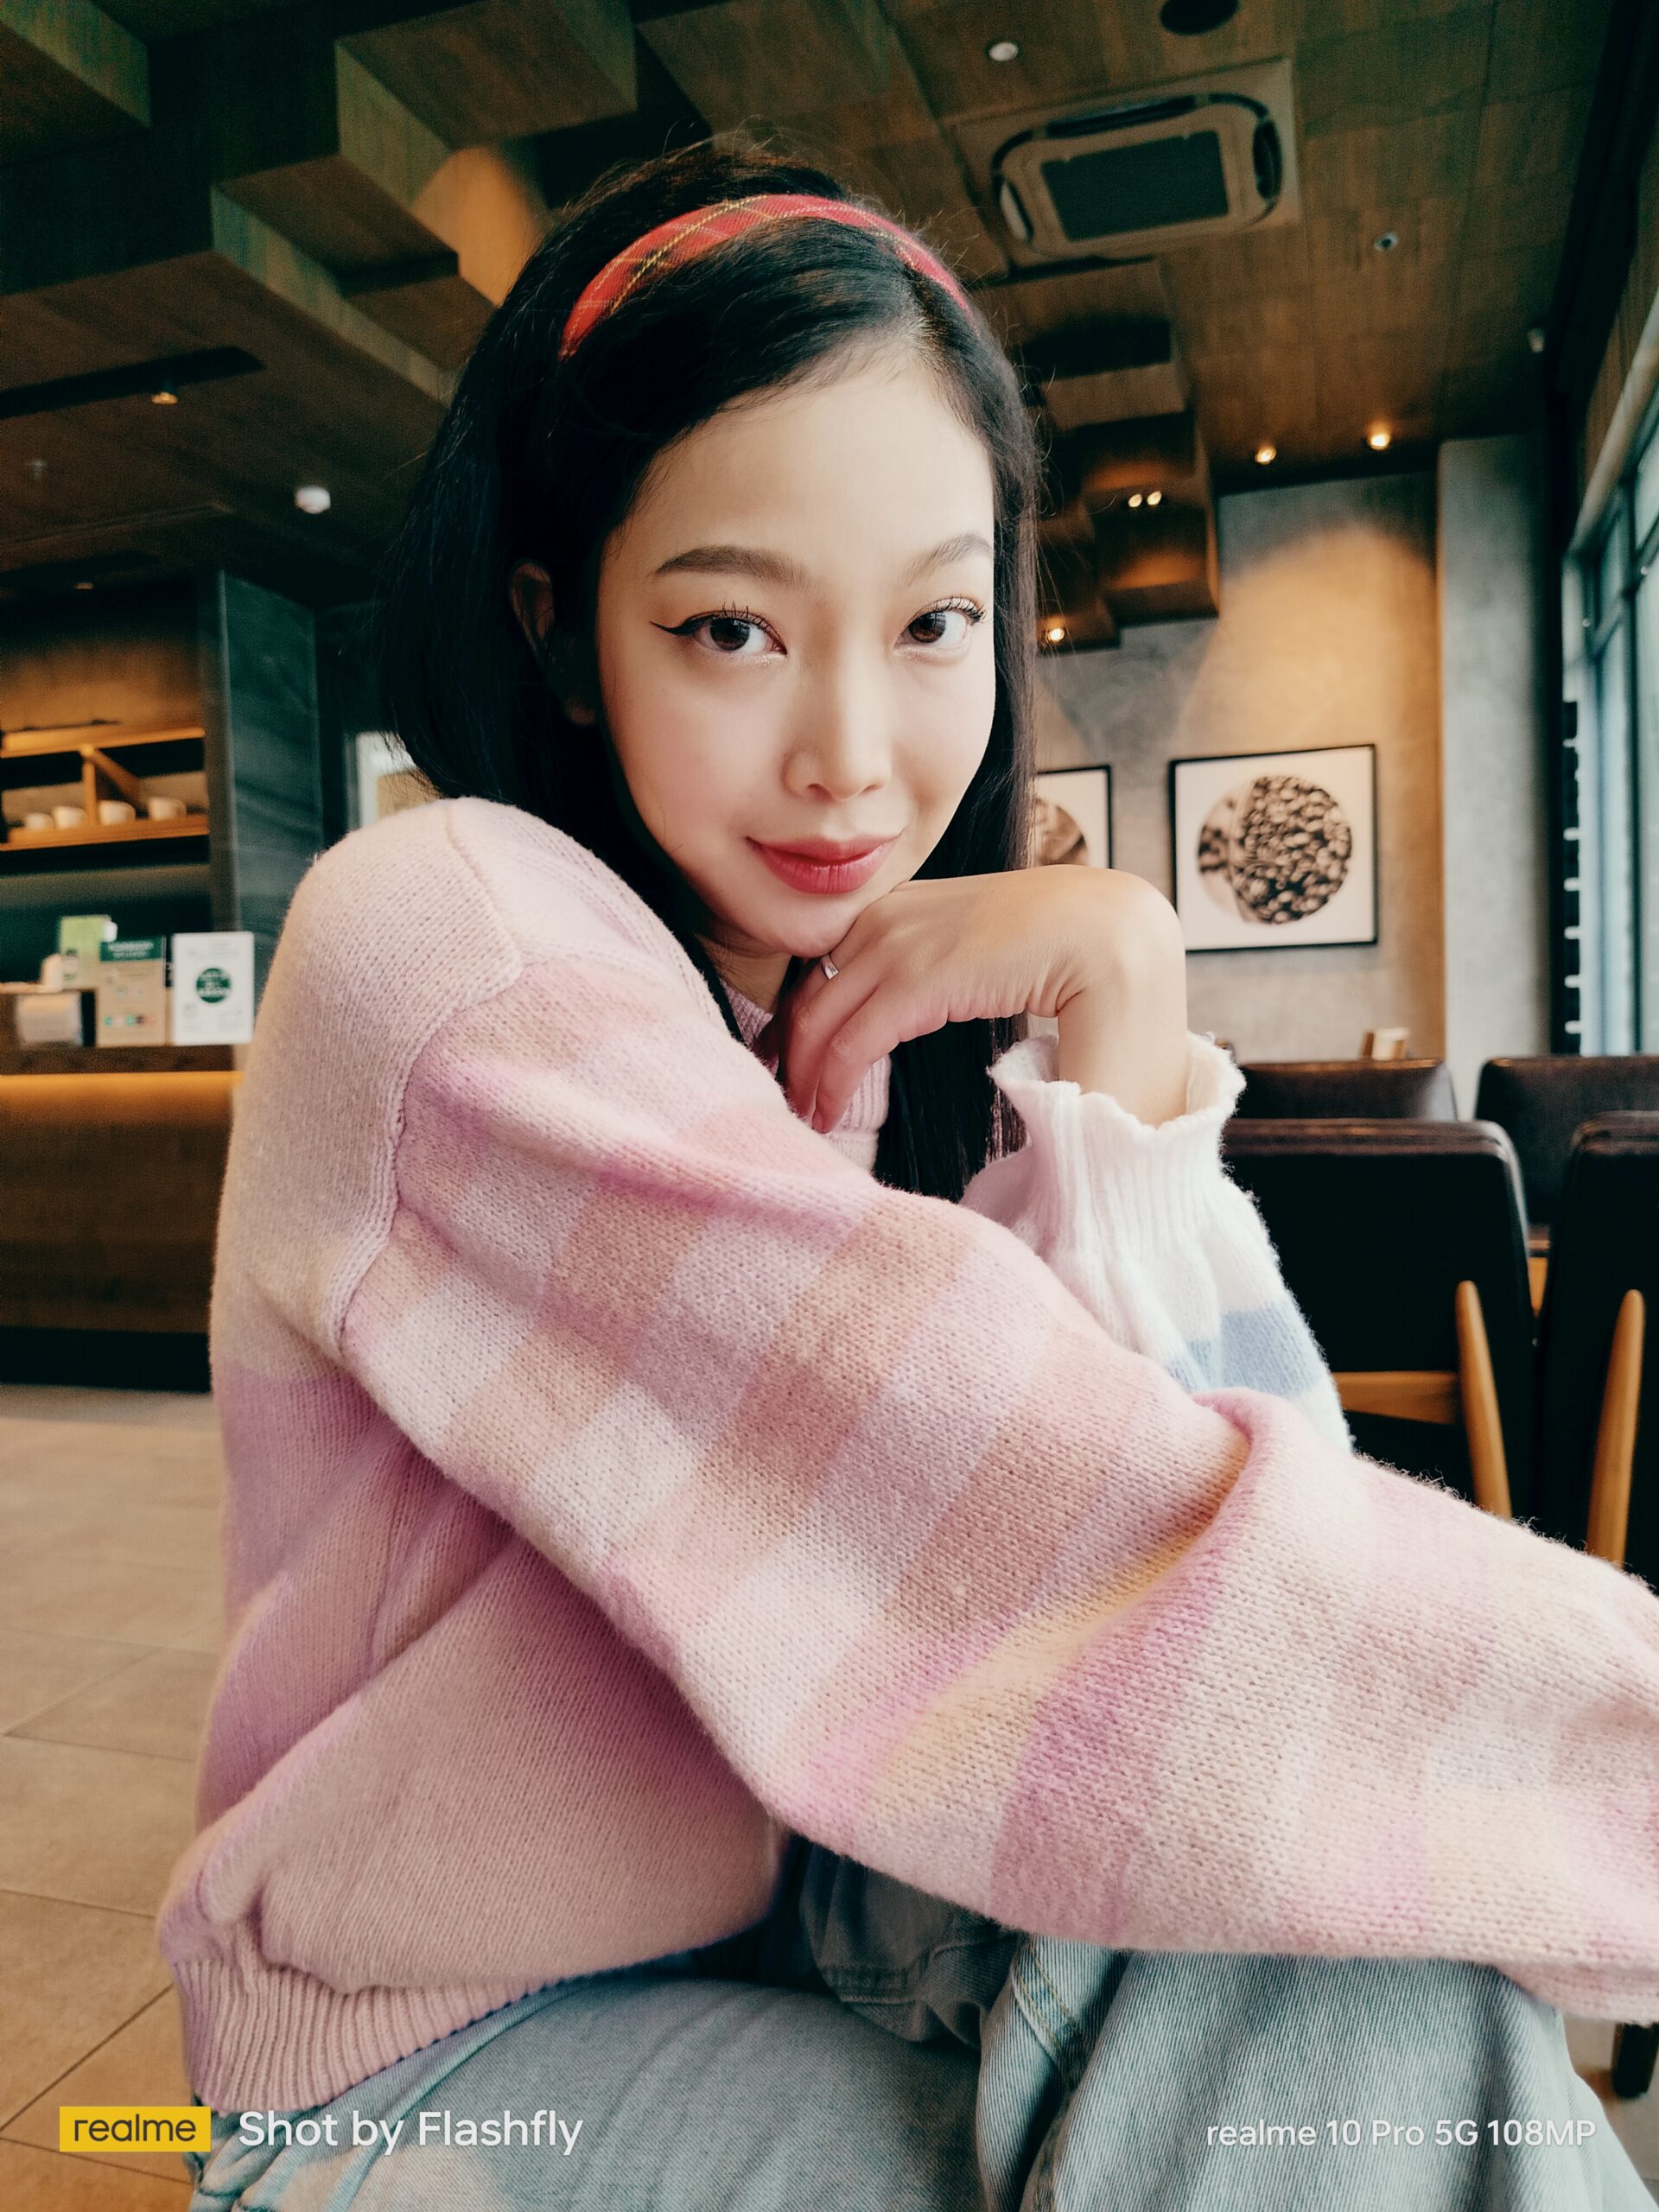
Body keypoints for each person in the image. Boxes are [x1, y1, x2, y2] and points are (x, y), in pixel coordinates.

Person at [169, 143, 1659, 2210]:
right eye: (732, 628)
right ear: (561, 629)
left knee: (1349, 1963)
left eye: (937, 619)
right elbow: (1067, 1540)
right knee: (1352, 1997)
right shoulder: (453, 943)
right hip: (428, 2058)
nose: (854, 753)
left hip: (802, 1929)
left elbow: (1222, 1513)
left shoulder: (828, 1026)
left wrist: (1126, 1006)